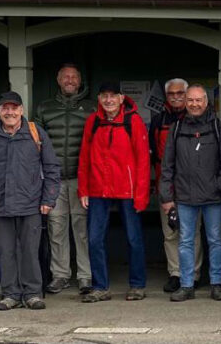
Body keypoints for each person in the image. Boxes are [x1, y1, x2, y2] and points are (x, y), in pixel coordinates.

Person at [0, 91, 61, 311]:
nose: (10, 112)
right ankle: (10, 294)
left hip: (31, 204)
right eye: (5, 108)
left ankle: (32, 294)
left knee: (30, 251)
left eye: (14, 108)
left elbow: (51, 168)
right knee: (5, 252)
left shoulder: (35, 133)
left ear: (21, 110)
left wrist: (48, 199)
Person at [78, 82, 150, 303]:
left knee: (134, 239)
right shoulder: (93, 121)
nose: (108, 100)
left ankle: (137, 285)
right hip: (98, 188)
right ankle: (100, 287)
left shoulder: (133, 121)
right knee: (94, 239)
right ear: (99, 99)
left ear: (121, 98)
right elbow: (84, 157)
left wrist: (141, 195)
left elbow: (143, 160)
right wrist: (83, 189)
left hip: (127, 190)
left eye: (113, 96)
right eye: (104, 96)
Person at [160, 84, 221, 302]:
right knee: (185, 241)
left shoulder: (219, 127)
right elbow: (167, 166)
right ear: (185, 102)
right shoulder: (176, 128)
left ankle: (217, 284)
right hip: (184, 196)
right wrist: (167, 197)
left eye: (198, 100)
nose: (194, 104)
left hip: (212, 197)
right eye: (190, 100)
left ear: (206, 102)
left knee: (215, 240)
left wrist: (218, 185)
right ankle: (186, 285)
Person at [35, 64, 96, 295]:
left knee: (82, 229)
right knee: (56, 228)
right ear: (58, 80)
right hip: (54, 180)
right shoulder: (45, 107)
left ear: (79, 81)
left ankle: (85, 275)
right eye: (65, 77)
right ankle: (60, 275)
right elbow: (36, 142)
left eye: (74, 77)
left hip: (82, 180)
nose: (70, 80)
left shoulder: (92, 108)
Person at [149, 78, 202, 293]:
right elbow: (153, 155)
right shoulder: (158, 120)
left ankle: (193, 274)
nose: (176, 97)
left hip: (192, 186)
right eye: (172, 94)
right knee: (170, 232)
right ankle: (176, 273)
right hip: (167, 186)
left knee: (192, 232)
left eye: (181, 93)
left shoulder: (197, 119)